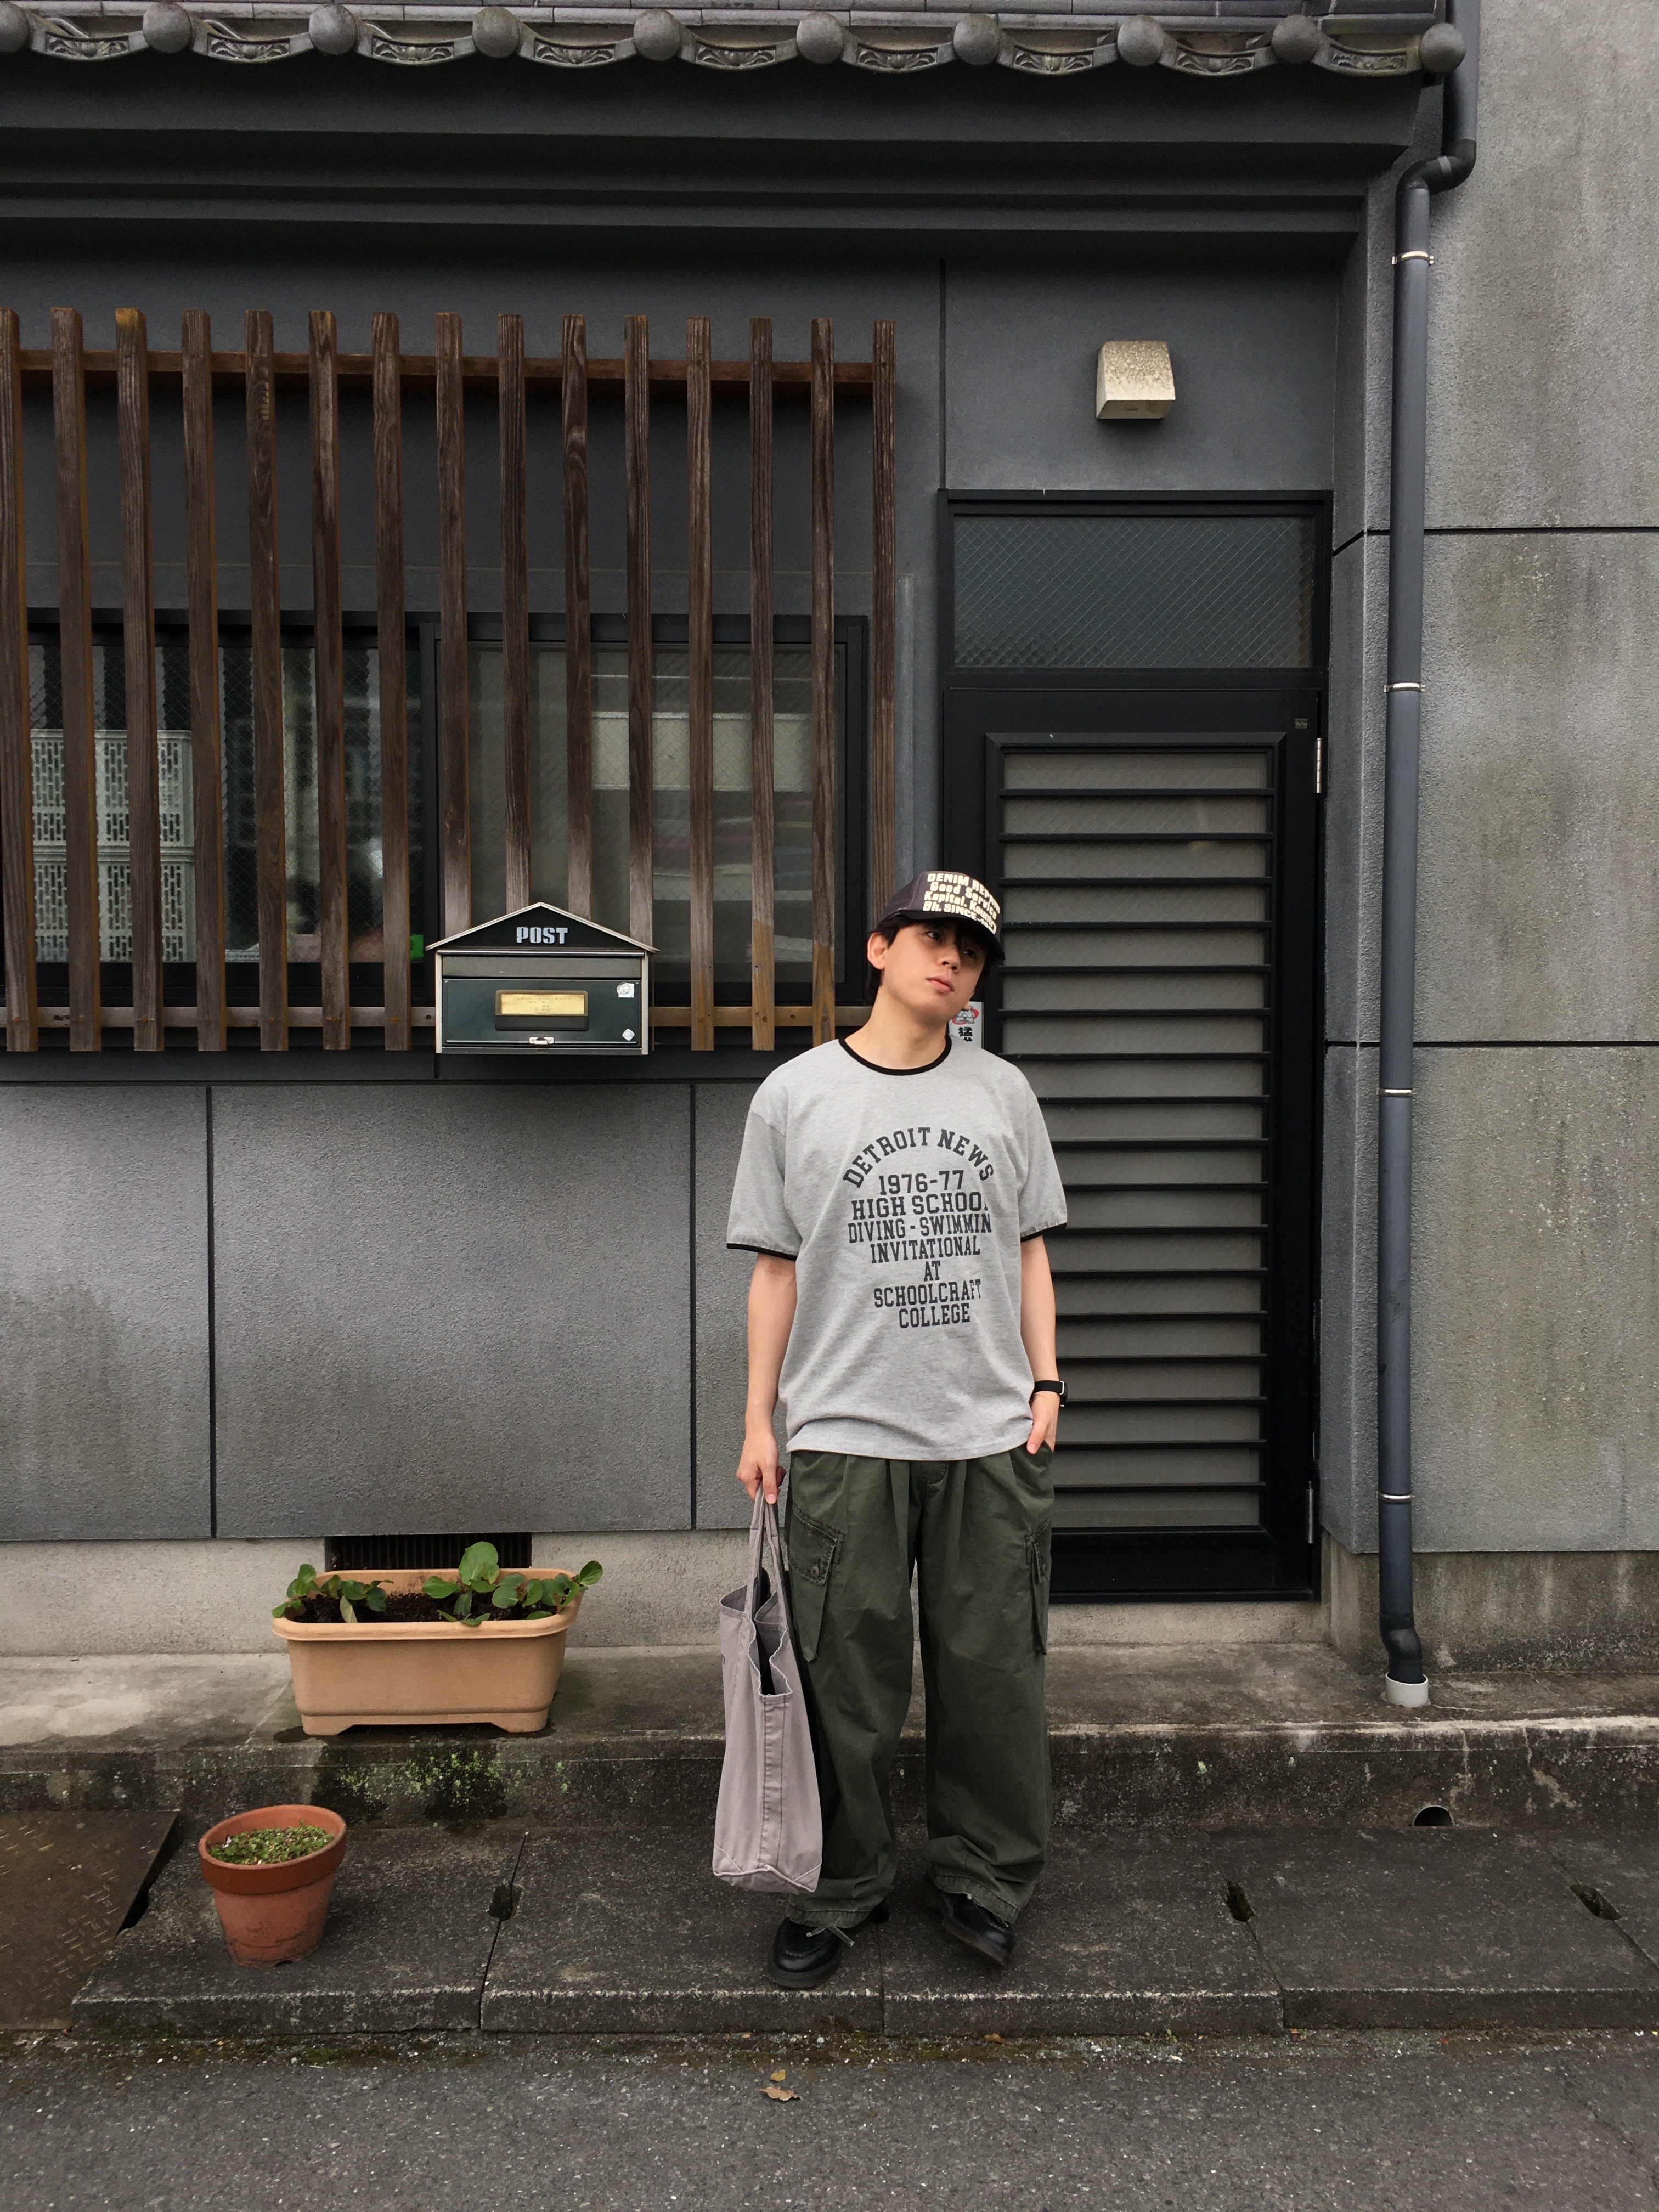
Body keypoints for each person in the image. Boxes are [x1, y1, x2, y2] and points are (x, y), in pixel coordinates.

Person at [725, 868, 1068, 1989]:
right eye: (931, 936)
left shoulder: (1005, 1094)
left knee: (994, 1676)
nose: (951, 959)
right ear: (879, 948)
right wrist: (760, 1419)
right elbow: (775, 1271)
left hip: (987, 1436)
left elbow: (1030, 1250)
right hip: (844, 1435)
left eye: (971, 949)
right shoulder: (795, 1096)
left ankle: (984, 1880)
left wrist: (1048, 1385)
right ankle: (843, 1886)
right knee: (843, 1683)